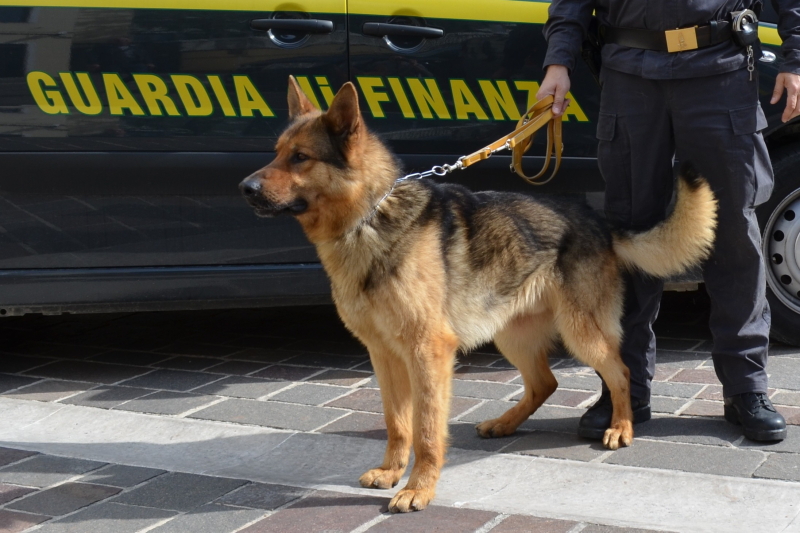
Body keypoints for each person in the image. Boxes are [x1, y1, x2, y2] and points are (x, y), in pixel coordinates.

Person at [536, 0, 800, 442]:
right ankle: (626, 391)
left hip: (719, 73)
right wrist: (558, 61)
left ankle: (745, 389)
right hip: (632, 77)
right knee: (632, 238)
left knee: (734, 239)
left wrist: (796, 61)